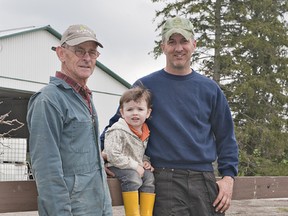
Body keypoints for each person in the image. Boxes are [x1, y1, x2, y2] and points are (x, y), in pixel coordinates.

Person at [101, 16, 238, 216]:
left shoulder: (210, 89)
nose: (178, 48)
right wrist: (101, 155)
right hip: (164, 181)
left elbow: (226, 137)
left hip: (204, 181)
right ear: (163, 46)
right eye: (172, 42)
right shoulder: (145, 87)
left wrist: (228, 177)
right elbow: (117, 126)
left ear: (194, 44)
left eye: (183, 41)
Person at [27, 24, 113, 216]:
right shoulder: (48, 100)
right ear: (61, 53)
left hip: (98, 208)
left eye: (92, 52)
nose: (87, 58)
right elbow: (46, 169)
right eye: (79, 51)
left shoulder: (85, 98)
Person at [102, 86, 155, 216]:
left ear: (148, 113)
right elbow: (112, 154)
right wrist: (135, 165)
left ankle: (146, 213)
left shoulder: (144, 131)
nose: (135, 113)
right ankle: (132, 213)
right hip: (116, 165)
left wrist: (144, 161)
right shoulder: (117, 130)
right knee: (133, 178)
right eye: (130, 109)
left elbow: (139, 152)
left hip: (135, 166)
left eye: (140, 109)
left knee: (150, 178)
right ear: (122, 112)